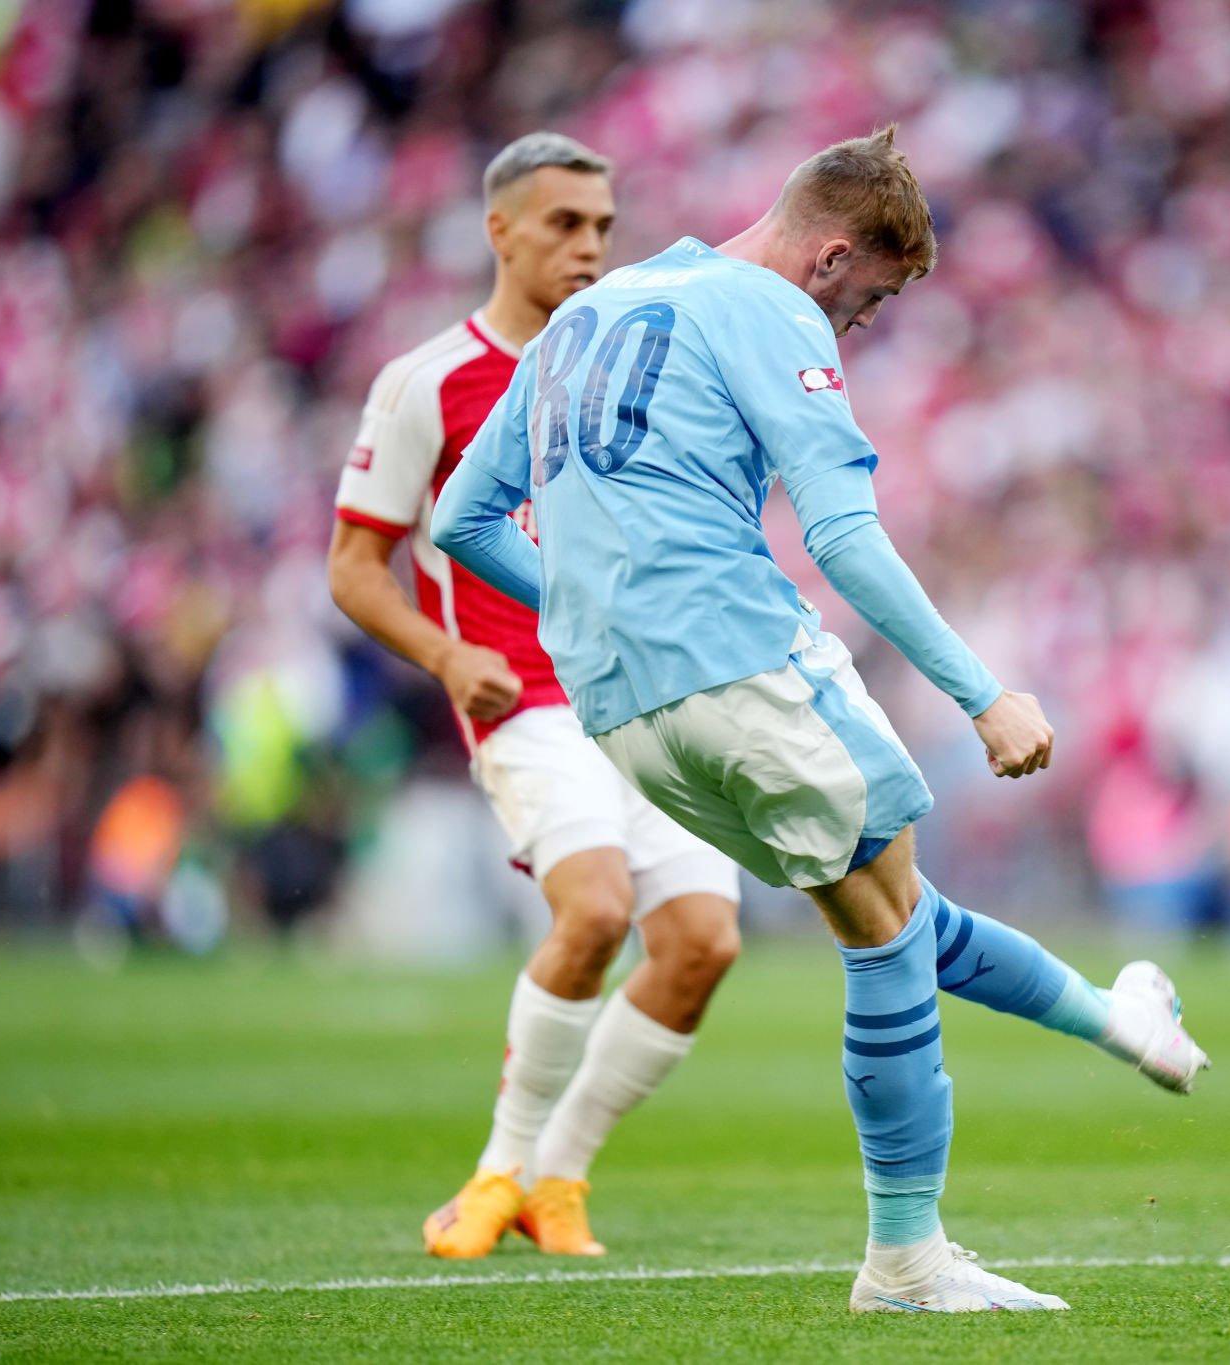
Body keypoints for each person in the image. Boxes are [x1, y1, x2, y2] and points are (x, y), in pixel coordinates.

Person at [432, 126, 1208, 1314]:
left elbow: (464, 521)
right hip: (737, 657)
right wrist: (982, 694)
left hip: (620, 704)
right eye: (873, 300)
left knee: (889, 908)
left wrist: (591, 611)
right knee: (885, 933)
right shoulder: (771, 307)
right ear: (832, 255)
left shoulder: (590, 311)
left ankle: (1119, 1021)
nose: (862, 325)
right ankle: (905, 1259)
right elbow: (841, 535)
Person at [326, 133, 742, 1261]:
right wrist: (444, 656)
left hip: (648, 696)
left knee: (703, 943)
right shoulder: (426, 382)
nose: (589, 247)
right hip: (521, 696)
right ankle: (498, 1170)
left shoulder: (627, 373)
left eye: (603, 226)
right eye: (565, 224)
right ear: (499, 230)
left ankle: (556, 1178)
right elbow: (354, 567)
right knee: (596, 912)